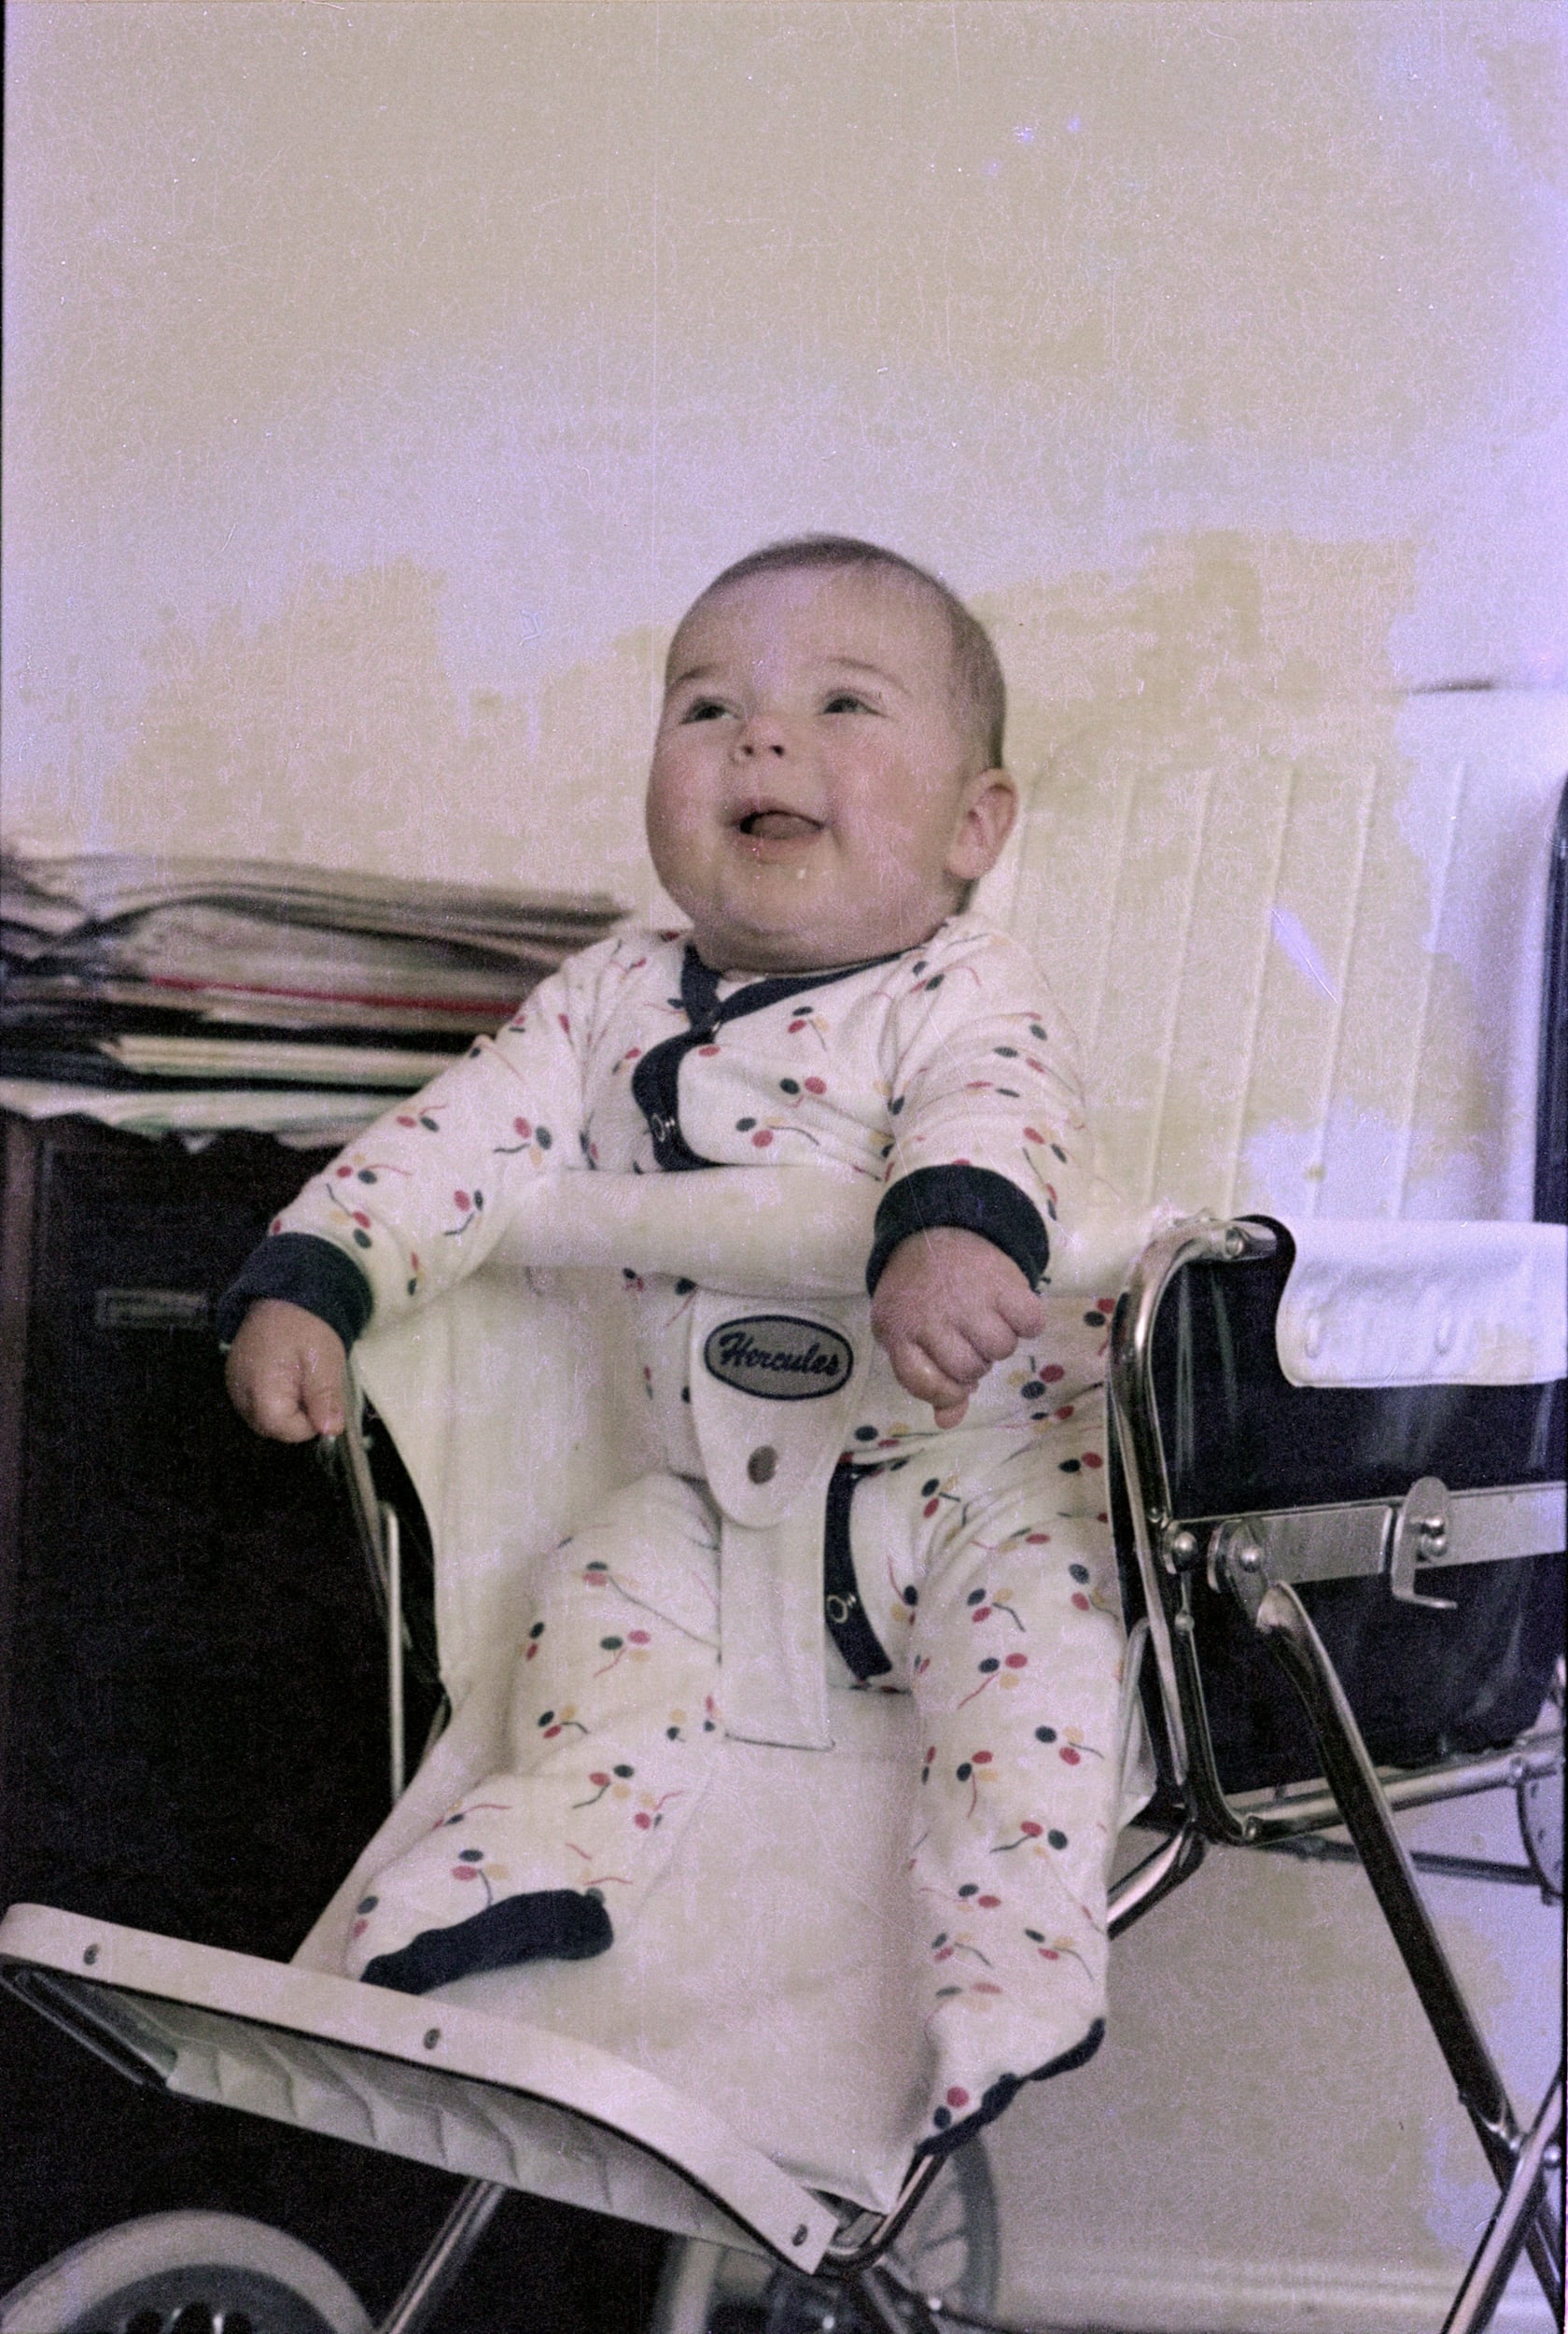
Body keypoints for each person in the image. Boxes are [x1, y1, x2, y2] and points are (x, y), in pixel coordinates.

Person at [220, 534, 1130, 2157]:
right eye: (707, 708)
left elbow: (999, 1107)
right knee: (593, 1593)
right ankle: (544, 1852)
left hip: (965, 1478)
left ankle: (1013, 1953)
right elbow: (459, 1140)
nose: (762, 737)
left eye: (843, 704)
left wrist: (952, 1229)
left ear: (975, 826)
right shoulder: (608, 996)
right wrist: (322, 1272)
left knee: (1046, 1642)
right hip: (714, 1498)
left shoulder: (964, 986)